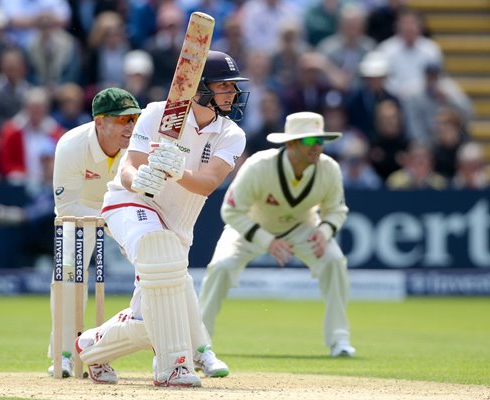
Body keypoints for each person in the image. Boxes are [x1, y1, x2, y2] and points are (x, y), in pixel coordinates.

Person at [75, 50, 250, 387]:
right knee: (159, 250)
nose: (232, 93)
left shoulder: (232, 135)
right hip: (129, 203)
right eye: (224, 86)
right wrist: (135, 179)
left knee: (150, 314)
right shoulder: (158, 113)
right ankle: (173, 366)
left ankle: (92, 347)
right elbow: (130, 166)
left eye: (233, 86)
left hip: (177, 225)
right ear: (200, 89)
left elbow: (207, 184)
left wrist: (175, 169)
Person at [199, 111, 357, 358]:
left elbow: (336, 210)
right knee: (221, 266)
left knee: (334, 261)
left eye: (319, 141)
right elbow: (231, 211)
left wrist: (324, 231)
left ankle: (340, 340)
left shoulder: (329, 169)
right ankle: (198, 343)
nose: (316, 147)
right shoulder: (260, 166)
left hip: (302, 228)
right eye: (309, 141)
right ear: (290, 143)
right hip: (252, 226)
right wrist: (267, 241)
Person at [47, 87, 142, 378]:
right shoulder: (72, 144)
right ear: (99, 122)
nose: (130, 126)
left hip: (123, 208)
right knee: (68, 275)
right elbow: (66, 207)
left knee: (155, 268)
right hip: (80, 212)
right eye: (122, 120)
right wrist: (108, 221)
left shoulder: (138, 143)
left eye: (133, 119)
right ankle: (64, 355)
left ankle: (176, 352)